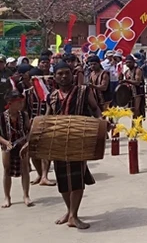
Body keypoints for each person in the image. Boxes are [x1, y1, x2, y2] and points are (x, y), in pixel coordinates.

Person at [46, 62, 101, 229]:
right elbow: (48, 118)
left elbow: (95, 108)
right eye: (60, 73)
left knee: (77, 177)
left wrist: (101, 123)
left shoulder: (84, 91)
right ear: (54, 77)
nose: (64, 76)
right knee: (62, 178)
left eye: (67, 73)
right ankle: (69, 211)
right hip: (59, 141)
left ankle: (74, 215)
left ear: (73, 74)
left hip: (79, 139)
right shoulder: (52, 96)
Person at [1, 89, 33, 208]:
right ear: (10, 103)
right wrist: (5, 142)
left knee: (25, 168)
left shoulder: (24, 115)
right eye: (18, 102)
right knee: (6, 170)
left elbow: (29, 131)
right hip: (7, 145)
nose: (21, 104)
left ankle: (26, 195)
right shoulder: (2, 116)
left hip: (21, 144)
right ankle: (7, 197)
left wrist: (27, 143)